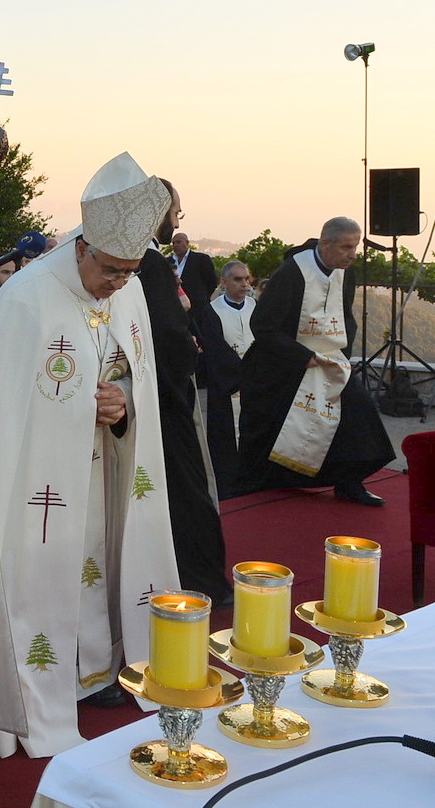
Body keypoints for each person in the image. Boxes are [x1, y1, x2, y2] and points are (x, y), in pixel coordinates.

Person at [0, 152, 179, 758]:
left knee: (101, 560)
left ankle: (100, 666)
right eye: (110, 269)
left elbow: (141, 380)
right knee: (48, 565)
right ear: (82, 247)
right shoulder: (28, 296)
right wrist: (79, 407)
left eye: (129, 273)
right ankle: (40, 685)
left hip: (105, 468)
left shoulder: (127, 292)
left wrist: (122, 405)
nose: (116, 284)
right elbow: (2, 410)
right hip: (42, 479)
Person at [236, 217, 394, 506]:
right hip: (282, 363)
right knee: (272, 426)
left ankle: (349, 480)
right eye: (346, 247)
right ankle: (262, 486)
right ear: (325, 243)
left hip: (328, 360)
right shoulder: (293, 273)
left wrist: (340, 358)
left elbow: (346, 318)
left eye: (355, 246)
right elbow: (263, 324)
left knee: (357, 412)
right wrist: (301, 356)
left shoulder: (347, 273)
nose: (352, 254)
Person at [135, 182, 229, 603]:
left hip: (144, 391)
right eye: (176, 212)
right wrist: (190, 358)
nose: (176, 221)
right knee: (189, 486)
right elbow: (169, 336)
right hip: (168, 397)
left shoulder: (136, 259)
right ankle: (203, 579)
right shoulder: (151, 263)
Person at [207, 260, 255, 498]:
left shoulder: (255, 307)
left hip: (255, 384)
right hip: (226, 385)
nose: (244, 284)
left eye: (246, 278)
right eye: (237, 279)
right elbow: (214, 349)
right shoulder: (212, 311)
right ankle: (227, 483)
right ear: (224, 282)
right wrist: (237, 373)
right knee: (225, 434)